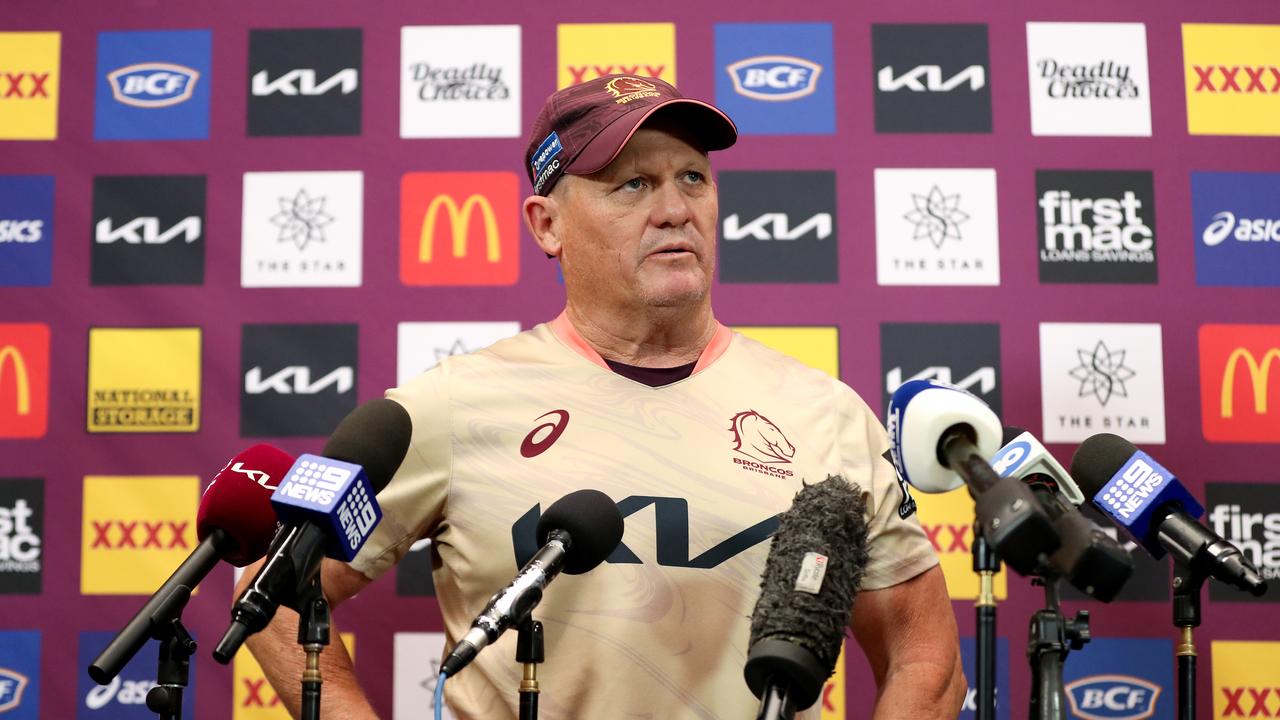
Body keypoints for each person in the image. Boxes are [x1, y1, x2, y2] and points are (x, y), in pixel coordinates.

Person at [240, 75, 965, 719]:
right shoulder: (454, 407)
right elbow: (269, 591)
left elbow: (923, 655)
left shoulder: (825, 412)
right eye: (633, 185)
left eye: (693, 178)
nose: (675, 209)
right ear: (546, 225)